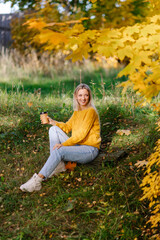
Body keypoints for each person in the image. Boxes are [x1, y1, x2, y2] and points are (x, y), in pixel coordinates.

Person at [20, 83, 101, 192]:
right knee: (53, 129)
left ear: (89, 96)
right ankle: (58, 166)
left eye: (86, 95)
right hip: (78, 145)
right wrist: (53, 122)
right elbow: (67, 127)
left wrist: (63, 145)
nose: (83, 98)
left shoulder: (91, 111)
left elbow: (81, 135)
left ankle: (37, 181)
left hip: (89, 149)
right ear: (76, 96)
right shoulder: (78, 111)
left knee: (59, 151)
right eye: (80, 95)